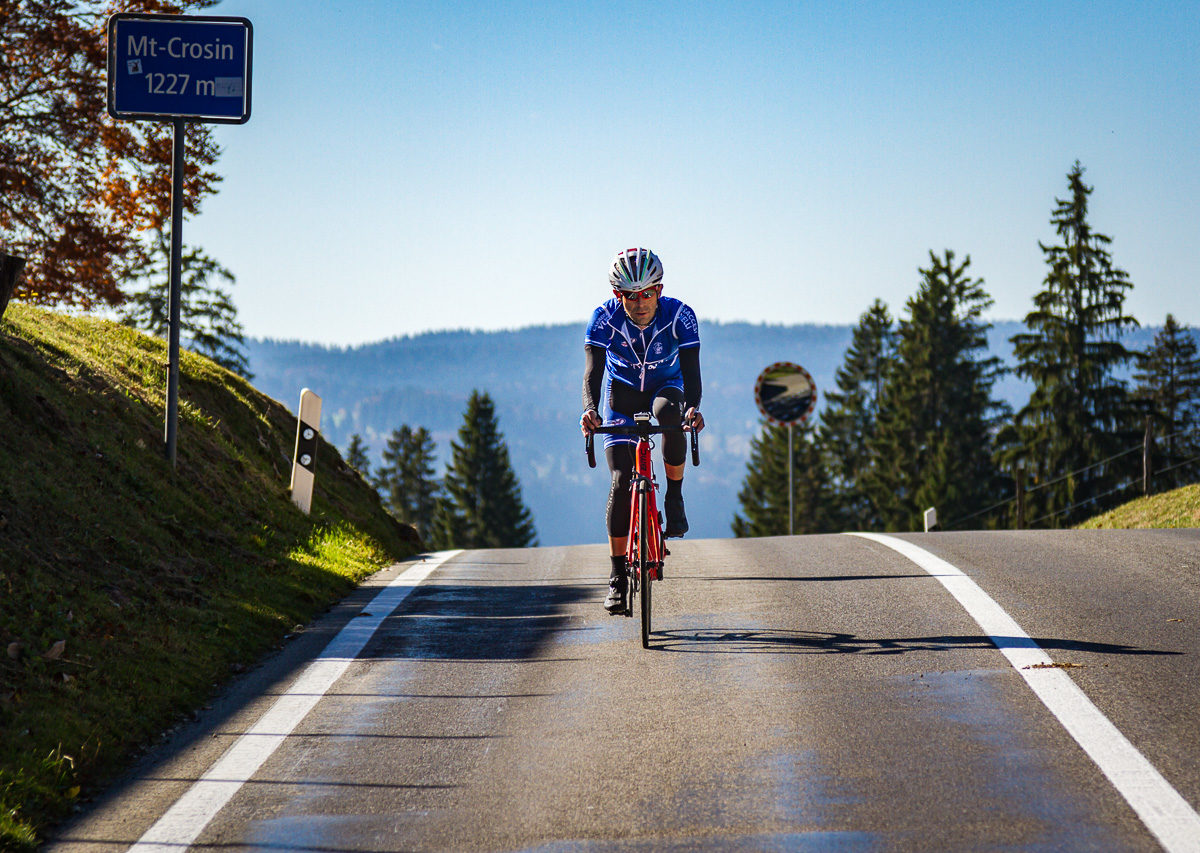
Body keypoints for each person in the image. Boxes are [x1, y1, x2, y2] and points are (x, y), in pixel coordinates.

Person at [580, 247, 705, 614]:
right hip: (620, 394)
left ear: (659, 290)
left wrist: (693, 407)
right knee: (620, 481)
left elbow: (693, 372)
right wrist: (589, 410)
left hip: (666, 388)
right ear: (619, 295)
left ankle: (674, 496)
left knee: (671, 416)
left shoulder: (680, 316)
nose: (639, 304)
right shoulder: (603, 318)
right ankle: (617, 576)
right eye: (630, 296)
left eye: (647, 293)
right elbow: (592, 372)